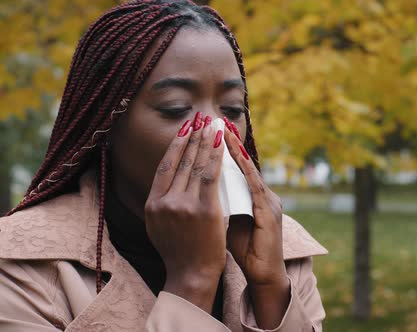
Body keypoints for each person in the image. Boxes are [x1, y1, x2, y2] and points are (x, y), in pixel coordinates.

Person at [0, 1, 327, 331]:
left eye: (231, 109)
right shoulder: (20, 265)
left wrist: (270, 288)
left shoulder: (281, 251)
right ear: (105, 123)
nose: (214, 128)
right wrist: (192, 281)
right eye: (176, 108)